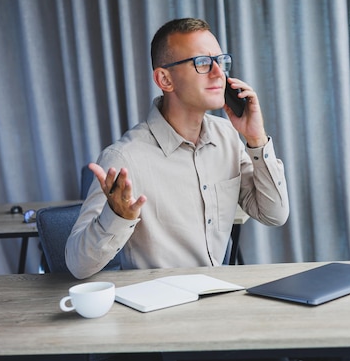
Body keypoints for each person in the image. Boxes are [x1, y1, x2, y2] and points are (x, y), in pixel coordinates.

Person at [66, 18, 290, 279]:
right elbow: (76, 265)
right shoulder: (123, 158)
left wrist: (257, 139)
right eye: (203, 63)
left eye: (221, 61)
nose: (220, 73)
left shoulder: (227, 135)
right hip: (159, 308)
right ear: (165, 79)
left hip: (218, 295)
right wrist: (117, 216)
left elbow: (274, 214)